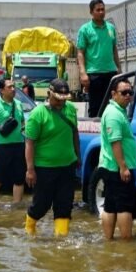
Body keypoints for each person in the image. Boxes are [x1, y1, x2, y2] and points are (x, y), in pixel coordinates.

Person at [24, 78, 81, 237]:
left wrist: (78, 155)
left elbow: (74, 133)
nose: (61, 103)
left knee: (64, 205)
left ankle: (60, 239)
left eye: (64, 99)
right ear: (49, 94)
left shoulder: (70, 109)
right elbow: (29, 143)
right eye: (57, 99)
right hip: (44, 169)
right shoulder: (38, 114)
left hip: (67, 166)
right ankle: (29, 228)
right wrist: (30, 170)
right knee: (41, 205)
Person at [98, 78, 136, 240]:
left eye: (130, 92)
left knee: (110, 205)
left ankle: (109, 241)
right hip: (117, 168)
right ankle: (126, 244)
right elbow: (115, 142)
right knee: (124, 207)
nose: (128, 95)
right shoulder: (114, 114)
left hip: (111, 167)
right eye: (124, 93)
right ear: (114, 94)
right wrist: (123, 167)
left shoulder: (117, 111)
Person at [77, 0, 121, 117]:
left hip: (111, 73)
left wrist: (119, 69)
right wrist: (83, 73)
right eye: (98, 10)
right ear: (91, 12)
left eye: (103, 9)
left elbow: (114, 49)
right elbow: (80, 52)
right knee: (96, 107)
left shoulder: (111, 28)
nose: (101, 12)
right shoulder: (85, 29)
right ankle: (95, 133)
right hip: (94, 74)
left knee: (112, 106)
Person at [0, 79, 26, 205]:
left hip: (19, 146)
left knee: (19, 179)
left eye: (14, 87)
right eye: (10, 87)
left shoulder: (18, 104)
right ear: (2, 90)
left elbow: (23, 124)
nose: (13, 89)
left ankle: (16, 206)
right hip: (2, 148)